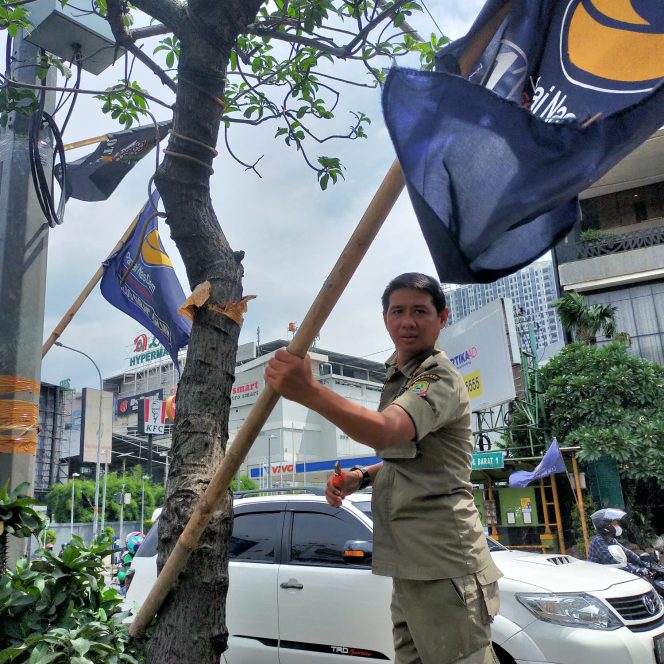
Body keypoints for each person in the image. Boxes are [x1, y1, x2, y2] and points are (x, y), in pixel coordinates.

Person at [265, 272, 502, 664]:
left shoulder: (437, 376)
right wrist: (361, 477)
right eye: (398, 311)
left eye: (420, 311)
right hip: (410, 564)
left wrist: (308, 392)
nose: (407, 321)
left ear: (442, 318)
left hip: (443, 564)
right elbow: (410, 458)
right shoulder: (399, 376)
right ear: (385, 319)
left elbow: (388, 434)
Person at [588, 508, 650, 576]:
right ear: (604, 526)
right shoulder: (598, 541)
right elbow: (612, 560)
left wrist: (643, 563)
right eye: (615, 524)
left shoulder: (611, 540)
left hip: (611, 574)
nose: (618, 526)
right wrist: (633, 570)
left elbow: (626, 552)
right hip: (600, 578)